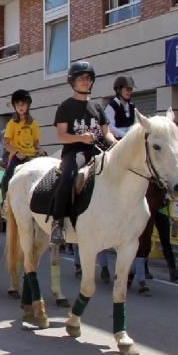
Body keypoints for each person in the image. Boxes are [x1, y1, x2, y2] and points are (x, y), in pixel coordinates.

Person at [50, 61, 116, 245]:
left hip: (97, 152)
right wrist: (81, 138)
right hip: (75, 153)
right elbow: (61, 136)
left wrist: (116, 143)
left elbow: (106, 133)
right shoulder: (65, 107)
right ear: (73, 81)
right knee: (68, 176)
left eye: (88, 78)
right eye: (81, 78)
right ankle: (57, 222)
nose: (86, 82)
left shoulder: (97, 107)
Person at [0, 89, 42, 203]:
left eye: (23, 104)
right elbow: (6, 143)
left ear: (28, 105)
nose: (20, 107)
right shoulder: (12, 124)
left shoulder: (34, 124)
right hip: (17, 157)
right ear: (14, 107)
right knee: (8, 176)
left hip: (32, 156)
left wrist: (40, 150)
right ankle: (5, 201)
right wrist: (16, 152)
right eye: (18, 104)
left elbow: (36, 142)